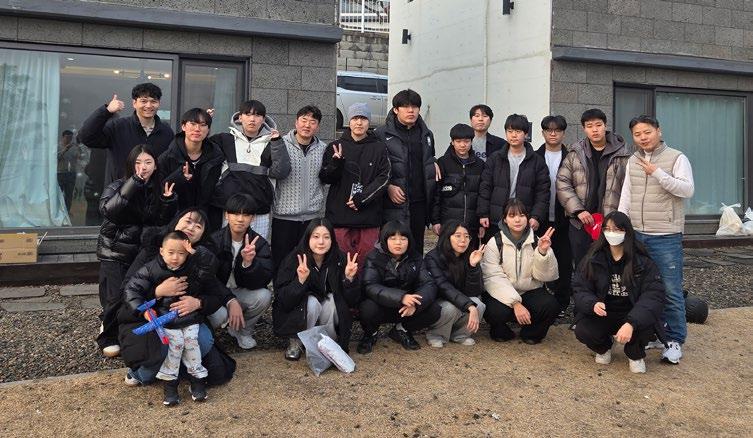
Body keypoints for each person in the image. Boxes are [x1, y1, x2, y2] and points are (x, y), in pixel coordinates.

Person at [118, 207, 236, 387]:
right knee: (161, 348)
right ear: (176, 222)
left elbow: (215, 292)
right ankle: (143, 372)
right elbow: (128, 289)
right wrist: (158, 292)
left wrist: (199, 302)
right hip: (147, 316)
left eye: (198, 226)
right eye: (188, 221)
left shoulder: (201, 260)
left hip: (186, 319)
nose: (191, 227)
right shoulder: (152, 251)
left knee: (205, 345)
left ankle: (175, 369)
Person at [618, 115, 695, 365]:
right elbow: (626, 194)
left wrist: (658, 173)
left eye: (647, 132)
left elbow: (687, 190)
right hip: (638, 234)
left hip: (665, 235)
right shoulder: (633, 160)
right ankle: (655, 333)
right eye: (637, 134)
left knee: (671, 290)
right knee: (643, 288)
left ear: (658, 131)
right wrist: (621, 224)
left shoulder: (676, 158)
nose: (643, 137)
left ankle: (674, 340)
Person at [96, 144, 177, 357]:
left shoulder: (158, 189)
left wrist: (167, 201)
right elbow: (109, 211)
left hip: (140, 252)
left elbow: (160, 222)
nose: (143, 167)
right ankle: (108, 335)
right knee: (115, 295)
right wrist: (134, 183)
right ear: (131, 165)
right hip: (114, 250)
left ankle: (125, 331)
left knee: (133, 293)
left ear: (155, 165)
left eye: (148, 162)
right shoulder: (117, 185)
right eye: (138, 162)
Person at [123, 231, 218, 404]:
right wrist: (144, 309)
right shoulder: (151, 268)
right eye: (171, 252)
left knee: (192, 345)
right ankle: (170, 385)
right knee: (175, 347)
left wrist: (197, 253)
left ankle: (197, 381)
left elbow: (209, 270)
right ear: (161, 251)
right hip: (165, 319)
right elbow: (132, 289)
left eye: (181, 253)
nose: (175, 257)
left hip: (190, 317)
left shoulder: (193, 267)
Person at [573, 211, 667, 374]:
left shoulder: (642, 261)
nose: (612, 233)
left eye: (617, 229)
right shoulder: (593, 258)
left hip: (631, 311)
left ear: (627, 231)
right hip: (604, 312)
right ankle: (604, 348)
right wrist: (592, 303)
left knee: (645, 323)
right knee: (583, 330)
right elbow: (580, 287)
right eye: (607, 229)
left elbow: (653, 296)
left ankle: (635, 354)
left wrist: (631, 323)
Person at [272, 218, 360, 360]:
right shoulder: (294, 259)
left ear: (332, 240)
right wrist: (300, 281)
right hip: (301, 311)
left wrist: (349, 279)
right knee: (311, 302)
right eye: (316, 236)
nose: (321, 242)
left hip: (326, 312)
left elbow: (352, 300)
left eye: (326, 237)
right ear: (307, 238)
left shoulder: (339, 258)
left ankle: (328, 343)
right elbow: (283, 299)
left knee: (332, 300)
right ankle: (297, 341)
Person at [319, 102, 391, 271]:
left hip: (369, 217)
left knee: (367, 264)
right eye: (355, 118)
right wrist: (336, 164)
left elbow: (384, 177)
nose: (359, 122)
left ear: (369, 122)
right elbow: (325, 178)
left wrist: (363, 198)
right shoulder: (335, 146)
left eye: (363, 118)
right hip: (340, 217)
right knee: (340, 263)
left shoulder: (379, 147)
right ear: (349, 121)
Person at [556, 108, 629, 269]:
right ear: (584, 129)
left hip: (611, 222)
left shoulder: (623, 154)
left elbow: (629, 187)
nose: (594, 130)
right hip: (580, 222)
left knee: (609, 264)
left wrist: (617, 217)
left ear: (605, 125)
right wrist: (578, 210)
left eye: (598, 125)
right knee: (582, 265)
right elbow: (562, 182)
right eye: (589, 126)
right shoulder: (575, 153)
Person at [481, 199, 559, 344]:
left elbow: (547, 276)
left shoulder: (536, 240)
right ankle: (501, 331)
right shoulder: (495, 242)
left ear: (527, 218)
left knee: (551, 305)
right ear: (505, 219)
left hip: (529, 291)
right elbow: (492, 276)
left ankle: (531, 333)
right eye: (512, 216)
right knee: (493, 310)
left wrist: (542, 252)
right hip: (503, 292)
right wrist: (515, 303)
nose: (517, 220)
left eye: (522, 215)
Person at [358, 220, 441, 354]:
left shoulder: (415, 257)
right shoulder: (373, 257)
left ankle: (402, 329)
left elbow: (428, 284)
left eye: (403, 238)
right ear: (384, 239)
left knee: (434, 310)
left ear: (409, 240)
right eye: (393, 238)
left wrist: (415, 304)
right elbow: (370, 286)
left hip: (406, 308)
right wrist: (400, 297)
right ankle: (371, 333)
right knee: (367, 308)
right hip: (382, 305)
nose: (398, 243)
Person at [210, 100, 290, 237]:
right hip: (229, 208)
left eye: (257, 115)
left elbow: (281, 172)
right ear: (240, 117)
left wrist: (277, 142)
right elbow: (200, 148)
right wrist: (206, 121)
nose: (252, 119)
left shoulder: (273, 142)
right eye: (248, 114)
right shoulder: (224, 139)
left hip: (259, 209)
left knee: (257, 247)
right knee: (226, 247)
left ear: (263, 119)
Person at [208, 194, 274, 350]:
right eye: (235, 213)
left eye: (246, 215)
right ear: (226, 215)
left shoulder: (259, 244)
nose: (240, 219)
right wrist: (229, 300)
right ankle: (208, 335)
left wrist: (248, 264)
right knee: (219, 316)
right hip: (218, 293)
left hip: (240, 291)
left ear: (253, 218)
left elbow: (262, 280)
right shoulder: (214, 240)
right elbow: (209, 279)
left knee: (264, 296)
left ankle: (242, 331)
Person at [77, 83, 174, 188]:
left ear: (158, 103)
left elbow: (169, 164)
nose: (149, 105)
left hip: (154, 194)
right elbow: (86, 137)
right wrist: (106, 111)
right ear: (134, 103)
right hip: (120, 193)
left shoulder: (166, 132)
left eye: (153, 101)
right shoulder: (117, 127)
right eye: (144, 101)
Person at [375, 89, 436, 251]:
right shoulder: (381, 134)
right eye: (406, 107)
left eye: (415, 107)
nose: (411, 111)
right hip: (393, 203)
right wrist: (388, 187)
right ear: (396, 110)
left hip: (419, 202)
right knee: (392, 248)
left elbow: (428, 160)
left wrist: (435, 162)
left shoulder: (426, 134)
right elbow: (374, 169)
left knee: (416, 248)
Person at [271, 105, 329, 270]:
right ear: (296, 122)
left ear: (317, 126)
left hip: (311, 218)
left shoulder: (323, 149)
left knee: (308, 264)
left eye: (313, 122)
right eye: (304, 120)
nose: (307, 125)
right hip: (284, 217)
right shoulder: (280, 144)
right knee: (281, 264)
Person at [477, 114, 550, 242]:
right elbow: (485, 187)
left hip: (523, 219)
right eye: (510, 131)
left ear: (526, 134)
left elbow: (542, 192)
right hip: (497, 219)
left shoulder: (537, 161)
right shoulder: (495, 158)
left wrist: (536, 216)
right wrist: (483, 214)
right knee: (495, 252)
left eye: (518, 131)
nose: (514, 135)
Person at [424, 220, 487, 347]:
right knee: (450, 308)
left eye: (467, 236)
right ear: (447, 237)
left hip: (460, 299)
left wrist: (473, 266)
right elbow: (443, 287)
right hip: (439, 300)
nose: (463, 240)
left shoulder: (470, 255)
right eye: (458, 236)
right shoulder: (433, 257)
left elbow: (474, 292)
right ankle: (436, 335)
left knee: (479, 304)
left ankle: (460, 335)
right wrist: (469, 305)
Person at [535, 115, 573, 316]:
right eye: (548, 130)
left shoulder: (572, 157)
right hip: (538, 219)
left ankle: (562, 302)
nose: (553, 134)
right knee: (537, 259)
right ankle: (539, 301)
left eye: (557, 130)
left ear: (563, 133)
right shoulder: (534, 157)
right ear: (542, 133)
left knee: (564, 261)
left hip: (565, 219)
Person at [158, 108, 225, 215]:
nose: (197, 129)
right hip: (176, 217)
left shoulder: (216, 156)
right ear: (183, 126)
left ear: (208, 129)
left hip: (205, 217)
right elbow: (158, 189)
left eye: (203, 125)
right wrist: (179, 177)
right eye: (193, 124)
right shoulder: (168, 157)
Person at [431, 123, 485, 247]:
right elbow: (436, 194)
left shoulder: (480, 165)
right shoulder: (443, 163)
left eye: (466, 141)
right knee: (446, 254)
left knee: (470, 255)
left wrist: (481, 223)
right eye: (458, 141)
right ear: (452, 142)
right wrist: (435, 221)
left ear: (471, 142)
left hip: (472, 224)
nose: (462, 145)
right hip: (448, 224)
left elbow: (483, 195)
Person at [57, 130, 80, 212]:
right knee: (58, 194)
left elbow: (79, 157)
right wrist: (65, 150)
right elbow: (56, 158)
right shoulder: (57, 147)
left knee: (69, 195)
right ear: (63, 137)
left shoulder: (73, 148)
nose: (69, 140)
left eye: (70, 138)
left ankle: (67, 212)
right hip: (60, 173)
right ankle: (58, 212)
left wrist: (79, 149)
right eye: (67, 137)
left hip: (71, 173)